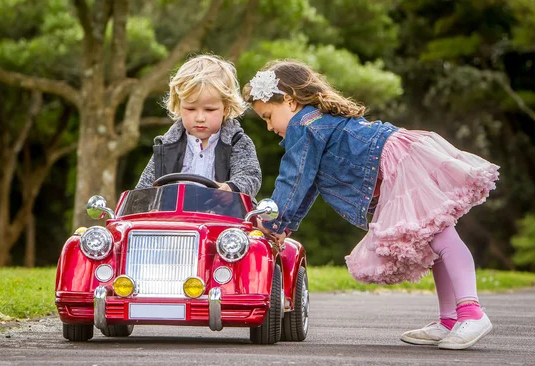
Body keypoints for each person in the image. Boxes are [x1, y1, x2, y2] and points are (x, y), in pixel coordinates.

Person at [242, 60, 500, 350]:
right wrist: (285, 227)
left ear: (289, 101)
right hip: (397, 160)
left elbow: (293, 179)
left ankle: (472, 313)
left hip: (398, 165)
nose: (268, 126)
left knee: (441, 236)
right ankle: (450, 320)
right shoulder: (317, 122)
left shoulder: (304, 126)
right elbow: (309, 185)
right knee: (432, 237)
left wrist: (273, 220)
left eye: (268, 116)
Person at [135, 54, 262, 198]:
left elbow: (251, 176)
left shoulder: (237, 142)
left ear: (225, 108)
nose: (200, 118)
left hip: (223, 216)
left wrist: (232, 188)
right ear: (179, 106)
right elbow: (144, 189)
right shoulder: (166, 145)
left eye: (209, 110)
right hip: (174, 218)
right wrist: (147, 204)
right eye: (190, 109)